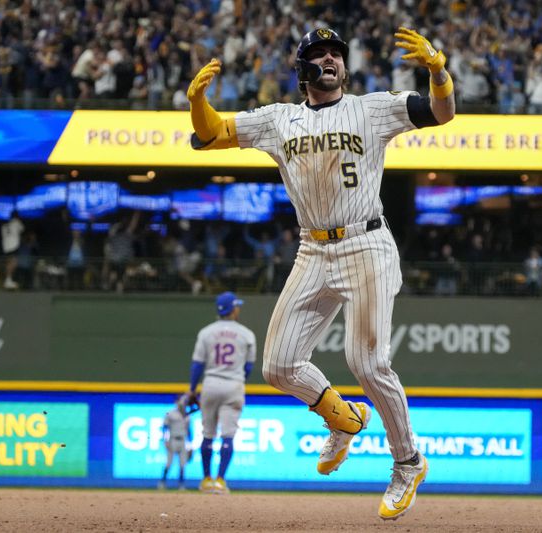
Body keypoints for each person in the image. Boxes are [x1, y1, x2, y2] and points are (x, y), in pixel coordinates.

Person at [187, 26, 455, 519]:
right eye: (318, 53)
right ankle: (342, 417)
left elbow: (442, 113)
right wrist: (197, 102)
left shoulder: (371, 108)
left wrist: (438, 71)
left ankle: (408, 461)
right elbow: (208, 135)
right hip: (313, 248)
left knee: (367, 362)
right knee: (278, 366)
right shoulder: (277, 119)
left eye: (336, 53)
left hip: (365, 240)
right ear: (302, 68)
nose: (330, 59)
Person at [185, 292, 256, 495]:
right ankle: (220, 480)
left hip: (211, 383)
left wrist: (192, 389)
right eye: (237, 306)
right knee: (228, 435)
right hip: (234, 384)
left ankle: (206, 479)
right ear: (233, 309)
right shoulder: (247, 334)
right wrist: (237, 380)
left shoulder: (206, 332)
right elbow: (249, 367)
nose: (238, 309)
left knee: (208, 433)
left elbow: (197, 364)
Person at [158, 396, 192, 490]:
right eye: (179, 401)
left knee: (182, 464)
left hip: (183, 440)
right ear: (176, 402)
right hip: (172, 439)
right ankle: (162, 482)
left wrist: (190, 445)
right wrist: (165, 440)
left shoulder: (187, 414)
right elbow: (164, 427)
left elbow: (189, 430)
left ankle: (181, 485)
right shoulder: (171, 413)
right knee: (169, 463)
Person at [1, 211, 24, 289]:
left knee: (10, 263)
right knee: (13, 263)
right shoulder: (17, 222)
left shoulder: (4, 225)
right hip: (14, 245)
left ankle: (8, 280)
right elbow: (22, 229)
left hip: (6, 246)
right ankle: (8, 281)